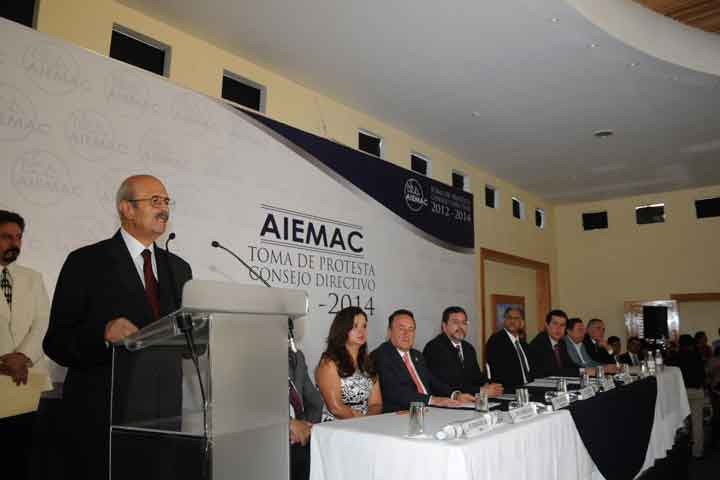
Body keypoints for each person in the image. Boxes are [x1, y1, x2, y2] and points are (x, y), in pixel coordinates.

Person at [43, 175, 192, 480]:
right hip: (102, 415)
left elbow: (186, 338)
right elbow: (56, 342)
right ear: (127, 208)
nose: (164, 209)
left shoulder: (179, 268)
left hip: (163, 417)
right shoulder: (86, 261)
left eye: (166, 201)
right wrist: (102, 334)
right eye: (155, 201)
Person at [0, 210, 51, 480]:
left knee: (22, 462)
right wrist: (4, 362)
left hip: (27, 382)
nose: (15, 243)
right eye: (6, 237)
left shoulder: (33, 278)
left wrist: (22, 356)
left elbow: (44, 322)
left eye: (18, 237)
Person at [371, 309, 474, 412]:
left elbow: (432, 381)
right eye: (401, 329)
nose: (406, 334)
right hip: (403, 413)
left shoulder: (417, 355)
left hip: (430, 410)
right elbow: (396, 392)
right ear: (389, 332)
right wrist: (432, 400)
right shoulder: (380, 355)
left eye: (411, 329)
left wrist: (455, 395)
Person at [316, 306, 382, 420]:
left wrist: (368, 421)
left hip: (366, 424)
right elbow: (336, 408)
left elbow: (376, 404)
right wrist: (361, 422)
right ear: (343, 329)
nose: (361, 331)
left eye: (364, 326)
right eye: (355, 326)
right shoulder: (329, 363)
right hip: (337, 426)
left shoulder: (367, 363)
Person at [422, 306, 502, 396]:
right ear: (444, 326)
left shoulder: (468, 348)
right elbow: (447, 384)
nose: (461, 327)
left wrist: (488, 384)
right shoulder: (434, 348)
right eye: (456, 322)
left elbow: (476, 376)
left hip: (470, 399)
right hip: (447, 400)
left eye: (464, 323)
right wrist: (480, 390)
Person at [667, 334, 706, 459]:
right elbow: (703, 374)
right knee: (697, 423)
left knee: (681, 422)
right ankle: (697, 452)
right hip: (697, 390)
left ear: (680, 344)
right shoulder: (697, 356)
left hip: (680, 392)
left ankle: (681, 452)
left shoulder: (674, 357)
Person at [289, 342, 323, 480]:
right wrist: (289, 424)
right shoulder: (252, 358)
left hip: (300, 437)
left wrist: (306, 429)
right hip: (268, 434)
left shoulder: (296, 356)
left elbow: (314, 402)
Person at [485, 307, 532, 392]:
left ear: (522, 323)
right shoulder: (496, 340)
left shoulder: (523, 344)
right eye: (509, 318)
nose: (512, 321)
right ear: (504, 321)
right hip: (509, 391)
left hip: (528, 388)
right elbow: (498, 373)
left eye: (516, 318)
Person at [528, 309, 584, 378]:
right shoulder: (539, 343)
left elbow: (569, 364)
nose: (558, 328)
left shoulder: (561, 342)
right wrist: (582, 371)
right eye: (555, 324)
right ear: (547, 325)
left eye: (562, 325)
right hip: (542, 382)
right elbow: (552, 371)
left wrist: (586, 370)